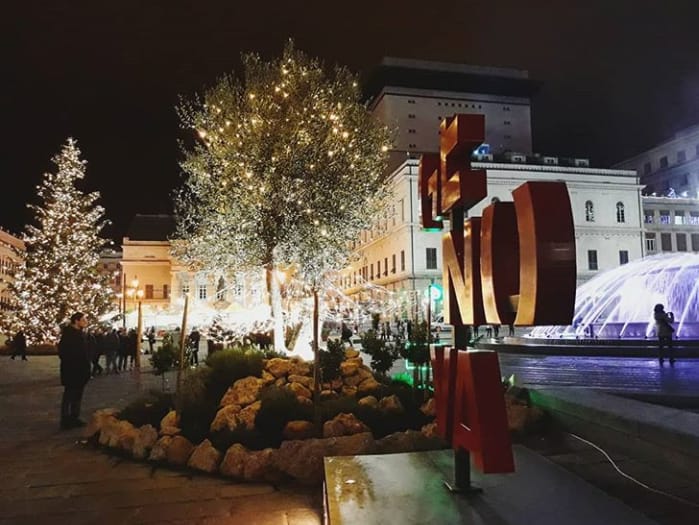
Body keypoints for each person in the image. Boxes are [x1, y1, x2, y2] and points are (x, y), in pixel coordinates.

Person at [58, 312, 91, 429]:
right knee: (69, 395)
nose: (86, 321)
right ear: (76, 321)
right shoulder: (69, 335)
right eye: (83, 319)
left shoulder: (80, 334)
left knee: (77, 396)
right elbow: (64, 353)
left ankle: (74, 417)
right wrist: (74, 365)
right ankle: (65, 420)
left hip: (80, 371)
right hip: (72, 371)